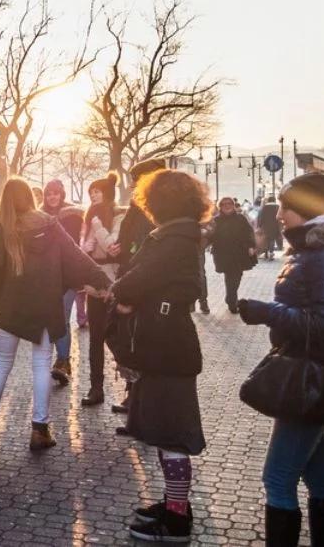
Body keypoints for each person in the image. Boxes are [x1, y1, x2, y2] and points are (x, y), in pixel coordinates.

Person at [237, 173, 324, 546]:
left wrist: (267, 312)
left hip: (312, 376)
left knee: (278, 477)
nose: (278, 214)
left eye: (285, 207)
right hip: (311, 373)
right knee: (319, 478)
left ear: (306, 208)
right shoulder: (317, 249)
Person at [0, 178, 109, 450]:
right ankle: (39, 429)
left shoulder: (4, 227)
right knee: (41, 365)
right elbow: (75, 257)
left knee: (2, 363)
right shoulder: (49, 224)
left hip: (12, 307)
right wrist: (103, 281)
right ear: (30, 197)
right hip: (45, 306)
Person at [105, 170, 210, 543]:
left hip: (166, 350)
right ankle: (173, 504)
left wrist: (125, 298)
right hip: (169, 346)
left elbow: (132, 282)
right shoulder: (181, 235)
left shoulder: (171, 239)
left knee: (172, 437)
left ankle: (177, 519)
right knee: (168, 435)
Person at [108, 157, 167, 416]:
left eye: (137, 179)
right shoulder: (138, 204)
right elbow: (129, 235)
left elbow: (151, 251)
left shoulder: (160, 209)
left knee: (136, 341)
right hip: (130, 274)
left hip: (143, 285)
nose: (133, 185)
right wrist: (119, 246)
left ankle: (140, 401)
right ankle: (136, 395)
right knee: (122, 336)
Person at [79, 172, 125, 406]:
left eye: (97, 191)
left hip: (112, 282)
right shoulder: (88, 217)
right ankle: (96, 387)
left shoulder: (118, 215)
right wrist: (84, 247)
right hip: (93, 284)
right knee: (95, 338)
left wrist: (96, 225)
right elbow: (82, 249)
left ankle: (131, 385)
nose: (94, 196)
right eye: (91, 192)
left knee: (115, 336)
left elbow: (112, 247)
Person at [40, 179, 86, 387]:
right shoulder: (38, 215)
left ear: (62, 194)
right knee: (52, 319)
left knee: (63, 318)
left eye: (55, 193)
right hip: (46, 277)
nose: (52, 197)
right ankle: (57, 361)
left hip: (66, 277)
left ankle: (63, 361)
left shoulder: (71, 216)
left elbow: (74, 247)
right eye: (49, 193)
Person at [209, 196, 257, 314]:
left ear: (233, 205)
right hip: (223, 253)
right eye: (224, 204)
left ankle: (230, 297)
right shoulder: (216, 220)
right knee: (230, 276)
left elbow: (249, 232)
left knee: (236, 276)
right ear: (220, 207)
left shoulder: (240, 218)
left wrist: (251, 245)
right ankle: (232, 301)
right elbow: (210, 236)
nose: (227, 206)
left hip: (239, 252)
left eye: (229, 203)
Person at [258, 195, 282, 261]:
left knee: (266, 239)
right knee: (272, 239)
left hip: (266, 226)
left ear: (268, 200)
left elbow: (261, 217)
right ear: (274, 200)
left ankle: (266, 253)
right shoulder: (277, 207)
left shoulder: (265, 207)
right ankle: (271, 253)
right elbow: (280, 217)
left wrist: (259, 225)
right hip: (275, 226)